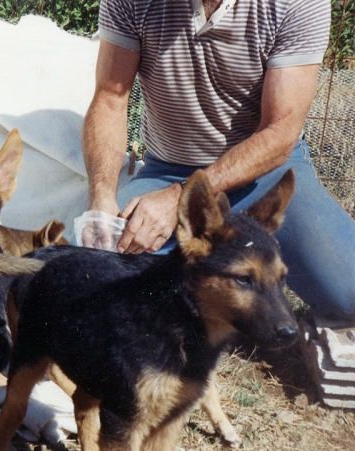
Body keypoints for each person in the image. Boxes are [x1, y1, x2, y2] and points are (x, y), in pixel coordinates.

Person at [81, 0, 355, 320]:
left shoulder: (297, 3)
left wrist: (181, 198)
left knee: (349, 293)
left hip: (266, 174)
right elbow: (110, 99)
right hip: (168, 171)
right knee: (86, 276)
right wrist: (101, 199)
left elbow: (280, 132)